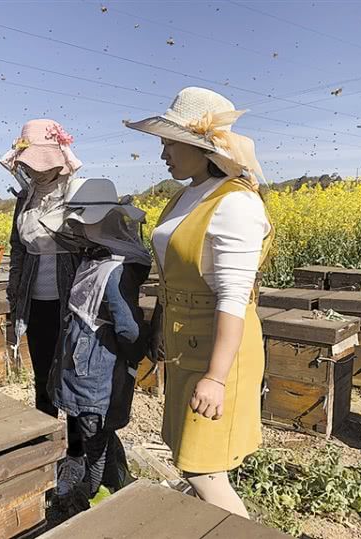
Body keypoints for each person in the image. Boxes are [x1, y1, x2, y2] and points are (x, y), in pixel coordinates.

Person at [125, 87, 274, 517]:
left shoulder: (235, 204)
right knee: (194, 464)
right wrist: (157, 329)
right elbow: (174, 277)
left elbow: (233, 296)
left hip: (217, 353)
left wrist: (216, 378)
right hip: (184, 345)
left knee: (204, 471)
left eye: (170, 143)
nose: (163, 155)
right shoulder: (187, 194)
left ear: (199, 146)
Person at [39, 177, 152, 513]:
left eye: (82, 222)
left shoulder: (114, 271)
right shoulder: (94, 259)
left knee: (95, 435)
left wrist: (130, 358)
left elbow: (128, 328)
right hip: (81, 367)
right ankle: (97, 484)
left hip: (95, 374)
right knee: (89, 428)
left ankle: (95, 492)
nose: (76, 228)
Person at [0, 118, 85, 497]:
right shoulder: (25, 197)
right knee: (42, 380)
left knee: (76, 381)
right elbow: (19, 252)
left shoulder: (80, 192)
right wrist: (14, 302)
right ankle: (45, 450)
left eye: (39, 160)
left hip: (76, 303)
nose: (32, 167)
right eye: (28, 161)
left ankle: (80, 457)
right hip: (37, 303)